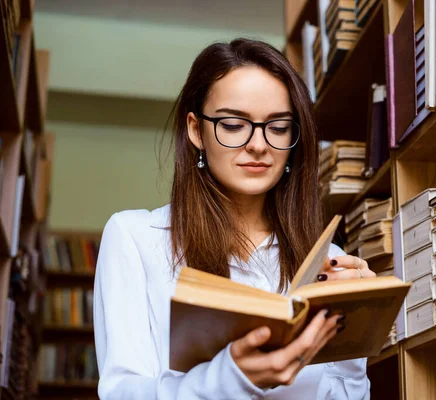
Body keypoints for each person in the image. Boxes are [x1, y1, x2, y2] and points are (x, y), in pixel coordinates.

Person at [93, 38, 376, 399]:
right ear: (197, 130)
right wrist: (232, 377)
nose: (258, 144)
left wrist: (355, 335)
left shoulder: (325, 259)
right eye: (232, 124)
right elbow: (123, 393)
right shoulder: (133, 237)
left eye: (277, 127)